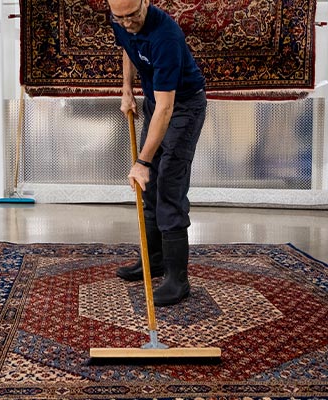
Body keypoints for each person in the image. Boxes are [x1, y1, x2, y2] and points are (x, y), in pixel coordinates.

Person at [107, 0, 207, 307]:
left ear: (145, 2)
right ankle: (153, 261)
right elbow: (127, 46)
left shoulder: (166, 35)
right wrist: (127, 89)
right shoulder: (121, 20)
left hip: (183, 107)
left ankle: (178, 280)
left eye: (133, 15)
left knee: (169, 187)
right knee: (148, 188)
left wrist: (142, 161)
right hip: (155, 102)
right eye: (120, 18)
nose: (127, 23)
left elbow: (167, 108)